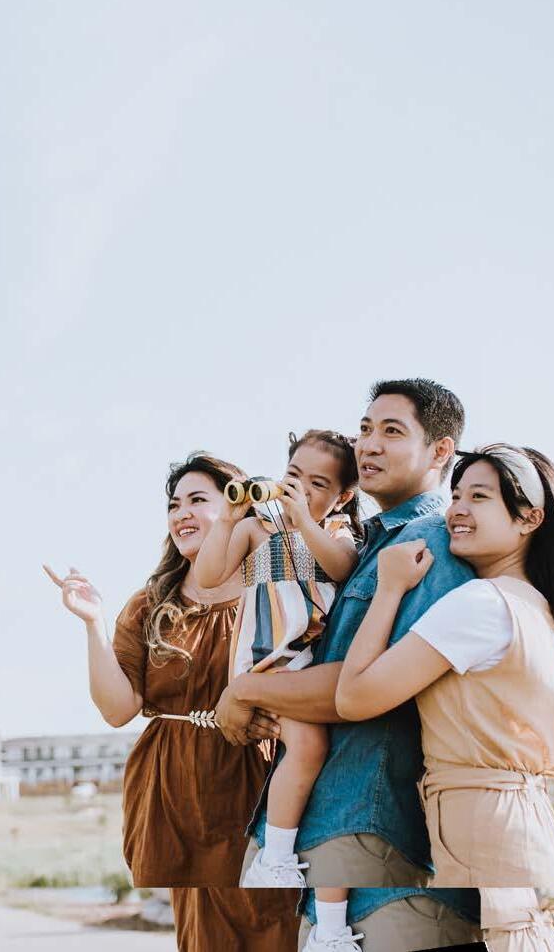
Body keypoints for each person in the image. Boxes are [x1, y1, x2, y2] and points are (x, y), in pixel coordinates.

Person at [215, 379, 484, 950]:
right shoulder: (369, 547)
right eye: (365, 429)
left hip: (367, 838)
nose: (370, 444)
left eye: (392, 431)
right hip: (331, 831)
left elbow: (363, 687)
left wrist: (242, 692)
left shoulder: (428, 544)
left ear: (440, 450)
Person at [44, 452, 300, 952]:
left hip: (259, 782)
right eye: (173, 505)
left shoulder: (274, 584)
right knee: (205, 936)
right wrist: (93, 623)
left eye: (197, 500)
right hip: (177, 790)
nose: (181, 513)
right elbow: (118, 709)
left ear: (235, 505)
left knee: (278, 925)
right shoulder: (152, 601)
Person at [335, 444, 554, 949]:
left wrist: (389, 588)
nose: (458, 510)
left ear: (530, 518)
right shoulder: (534, 609)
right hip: (525, 821)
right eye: (456, 495)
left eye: (479, 497)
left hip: (486, 828)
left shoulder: (480, 605)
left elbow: (354, 697)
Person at [196, 431, 361, 949]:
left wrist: (306, 521)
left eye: (319, 484)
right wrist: (228, 520)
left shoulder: (336, 533)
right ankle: (277, 856)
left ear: (343, 497)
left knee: (320, 761)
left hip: (309, 665)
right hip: (267, 663)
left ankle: (320, 913)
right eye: (294, 476)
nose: (301, 490)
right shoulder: (256, 528)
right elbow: (208, 576)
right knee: (308, 744)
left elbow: (342, 567)